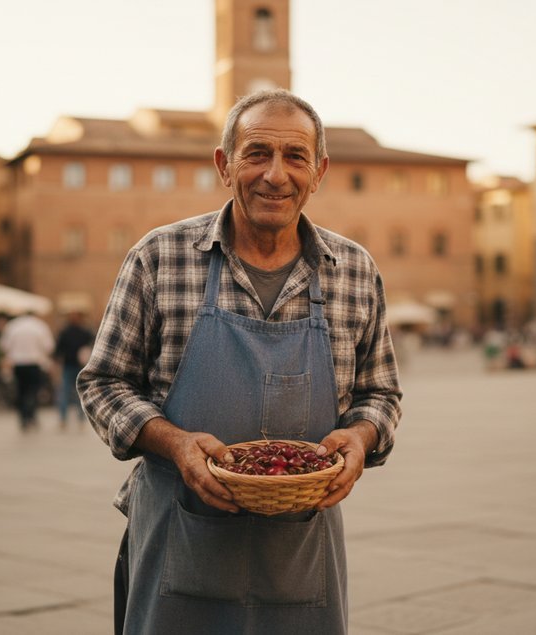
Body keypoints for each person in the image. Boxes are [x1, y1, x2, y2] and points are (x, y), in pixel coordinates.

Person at [78, 89, 402, 635]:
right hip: (177, 536)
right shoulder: (160, 256)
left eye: (295, 156)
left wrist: (363, 437)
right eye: (257, 153)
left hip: (301, 549)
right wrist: (176, 443)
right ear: (224, 165)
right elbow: (103, 383)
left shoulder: (353, 269)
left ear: (318, 171)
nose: (276, 174)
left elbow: (381, 394)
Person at [0, 311, 54, 430]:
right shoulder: (40, 326)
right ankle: (31, 415)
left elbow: (4, 346)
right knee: (33, 390)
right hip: (34, 363)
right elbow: (49, 346)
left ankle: (23, 417)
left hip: (18, 363)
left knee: (21, 390)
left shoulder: (13, 326)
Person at [53, 310, 94, 427]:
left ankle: (63, 419)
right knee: (79, 393)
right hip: (80, 366)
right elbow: (93, 344)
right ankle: (80, 419)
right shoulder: (85, 331)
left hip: (69, 365)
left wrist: (57, 360)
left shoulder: (64, 332)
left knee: (65, 393)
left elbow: (57, 350)